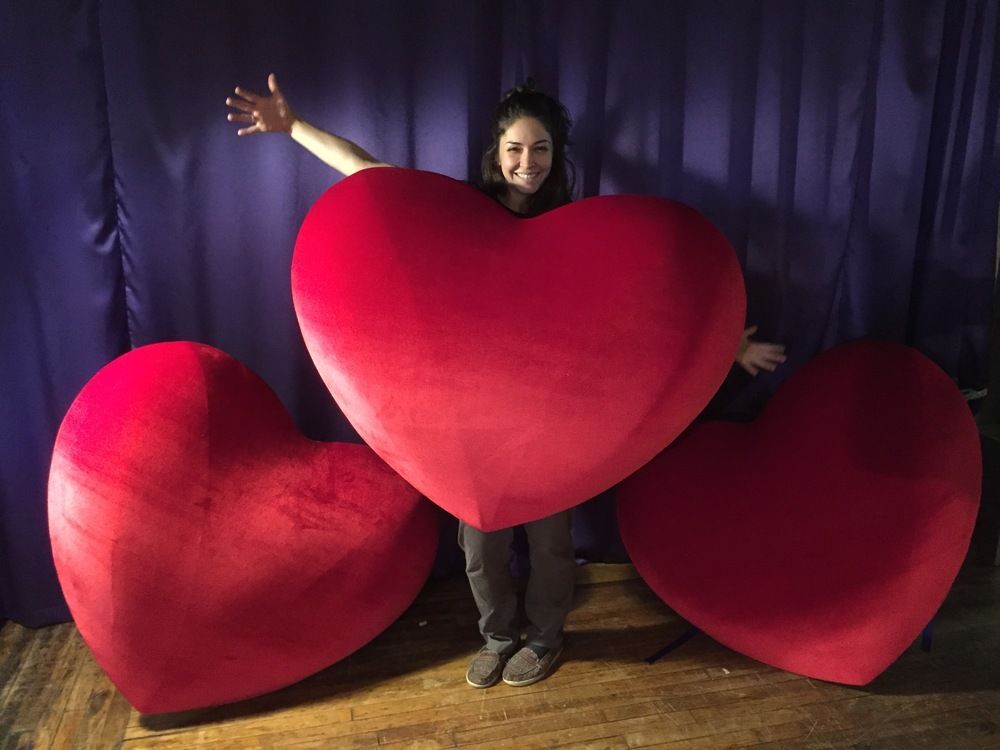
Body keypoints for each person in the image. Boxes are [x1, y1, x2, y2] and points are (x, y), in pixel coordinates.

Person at [226, 74, 787, 688]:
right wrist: (294, 125)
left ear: (556, 155)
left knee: (550, 544)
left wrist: (731, 347)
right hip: (474, 424)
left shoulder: (582, 230)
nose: (527, 162)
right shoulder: (455, 215)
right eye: (515, 149)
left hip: (554, 422)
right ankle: (498, 635)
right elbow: (368, 174)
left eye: (540, 149)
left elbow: (648, 307)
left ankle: (545, 639)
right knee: (480, 548)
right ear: (495, 153)